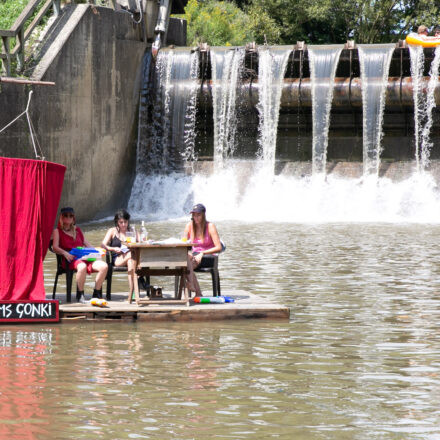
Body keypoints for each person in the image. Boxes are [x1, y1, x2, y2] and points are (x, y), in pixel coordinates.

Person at [52, 207, 108, 303]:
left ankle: (96, 293)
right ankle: (80, 294)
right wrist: (65, 253)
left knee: (104, 266)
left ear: (73, 218)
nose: (68, 218)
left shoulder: (77, 230)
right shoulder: (57, 231)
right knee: (82, 266)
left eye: (71, 216)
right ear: (61, 217)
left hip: (84, 257)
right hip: (70, 259)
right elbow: (55, 247)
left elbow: (87, 244)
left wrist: (97, 252)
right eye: (66, 215)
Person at [101, 209, 139, 295]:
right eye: (121, 222)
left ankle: (132, 292)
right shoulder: (112, 231)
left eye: (125, 222)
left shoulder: (132, 231)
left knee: (130, 262)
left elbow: (140, 242)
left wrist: (139, 237)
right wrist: (113, 249)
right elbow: (103, 245)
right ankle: (140, 280)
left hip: (131, 258)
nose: (123, 224)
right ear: (117, 222)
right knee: (131, 255)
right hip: (118, 259)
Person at [183, 203, 222, 270]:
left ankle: (191, 280)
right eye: (194, 215)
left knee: (187, 267)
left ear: (203, 215)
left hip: (208, 256)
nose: (196, 218)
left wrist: (202, 253)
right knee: (182, 265)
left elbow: (219, 247)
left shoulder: (210, 226)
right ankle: (192, 281)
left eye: (198, 215)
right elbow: (183, 243)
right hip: (194, 255)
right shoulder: (189, 226)